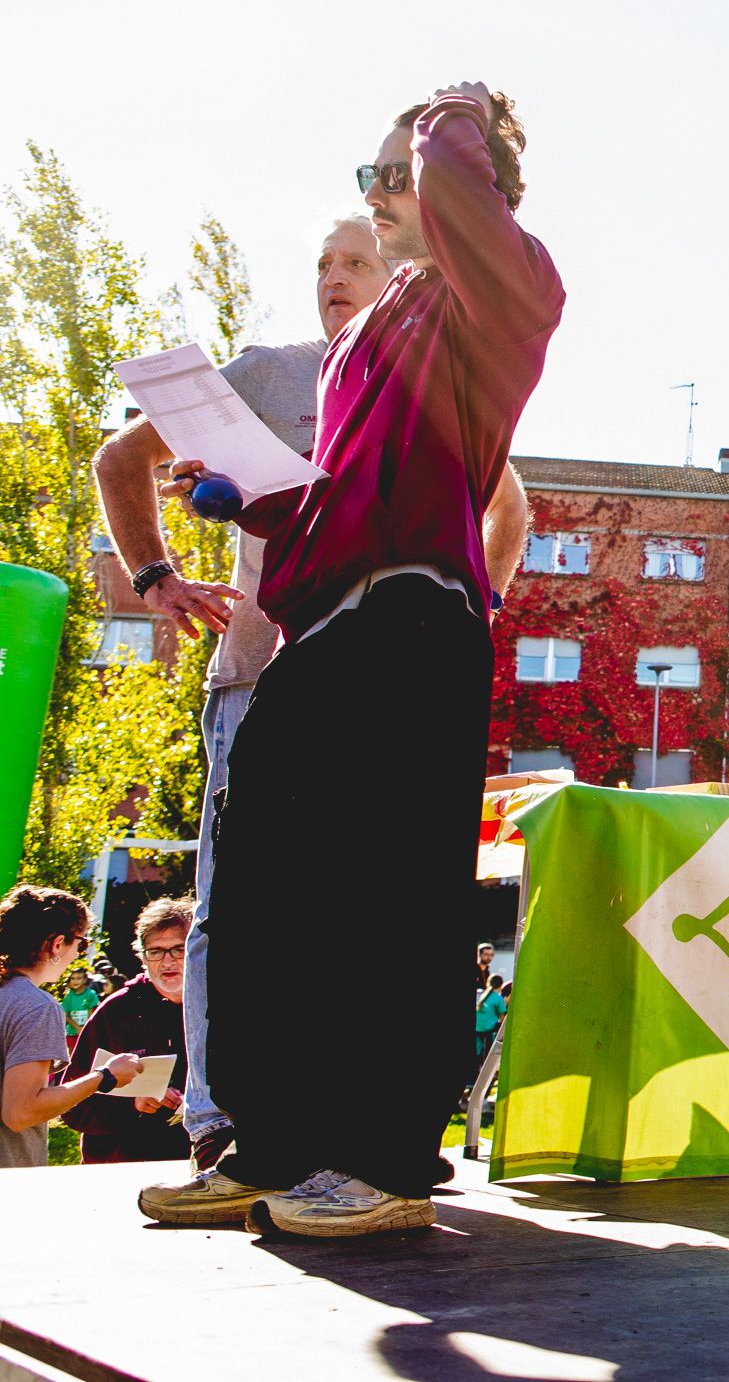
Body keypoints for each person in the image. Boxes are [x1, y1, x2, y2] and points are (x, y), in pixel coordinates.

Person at [141, 83, 564, 1237]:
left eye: (396, 174)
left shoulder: (503, 290)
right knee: (268, 894)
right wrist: (245, 493)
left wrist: (450, 110)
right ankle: (271, 1143)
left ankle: (384, 1158)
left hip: (416, 622)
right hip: (317, 628)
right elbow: (337, 499)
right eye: (370, 174)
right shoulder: (363, 343)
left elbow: (458, 165)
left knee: (388, 895)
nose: (376, 193)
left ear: (460, 183)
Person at [96, 220, 531, 1173]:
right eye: (323, 264)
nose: (334, 277)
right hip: (259, 669)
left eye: (355, 262)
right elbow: (118, 460)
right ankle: (222, 1121)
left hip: (373, 671)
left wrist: (471, 606)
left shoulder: (420, 386)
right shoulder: (269, 372)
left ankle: (344, 1133)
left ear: (396, 280)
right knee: (233, 911)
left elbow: (510, 508)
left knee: (354, 907)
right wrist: (155, 577)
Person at [3, 887, 147, 1169]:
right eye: (82, 944)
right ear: (57, 944)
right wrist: (105, 1076)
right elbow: (20, 1113)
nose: (78, 954)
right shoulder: (36, 1007)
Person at [64, 897, 192, 1163]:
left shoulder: (220, 1007)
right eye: (155, 951)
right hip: (124, 1164)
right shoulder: (116, 1011)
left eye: (178, 949)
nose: (167, 961)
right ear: (142, 956)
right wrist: (132, 1104)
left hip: (204, 1165)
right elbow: (72, 1105)